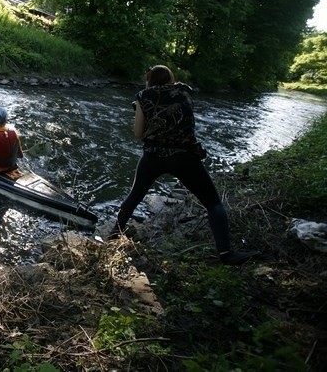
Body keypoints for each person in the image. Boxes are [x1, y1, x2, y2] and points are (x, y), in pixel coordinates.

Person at [111, 65, 259, 266]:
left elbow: (138, 134)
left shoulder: (143, 96)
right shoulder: (184, 91)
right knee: (213, 203)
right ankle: (226, 253)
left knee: (134, 197)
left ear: (149, 80)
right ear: (171, 78)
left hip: (153, 157)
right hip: (185, 158)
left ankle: (112, 237)